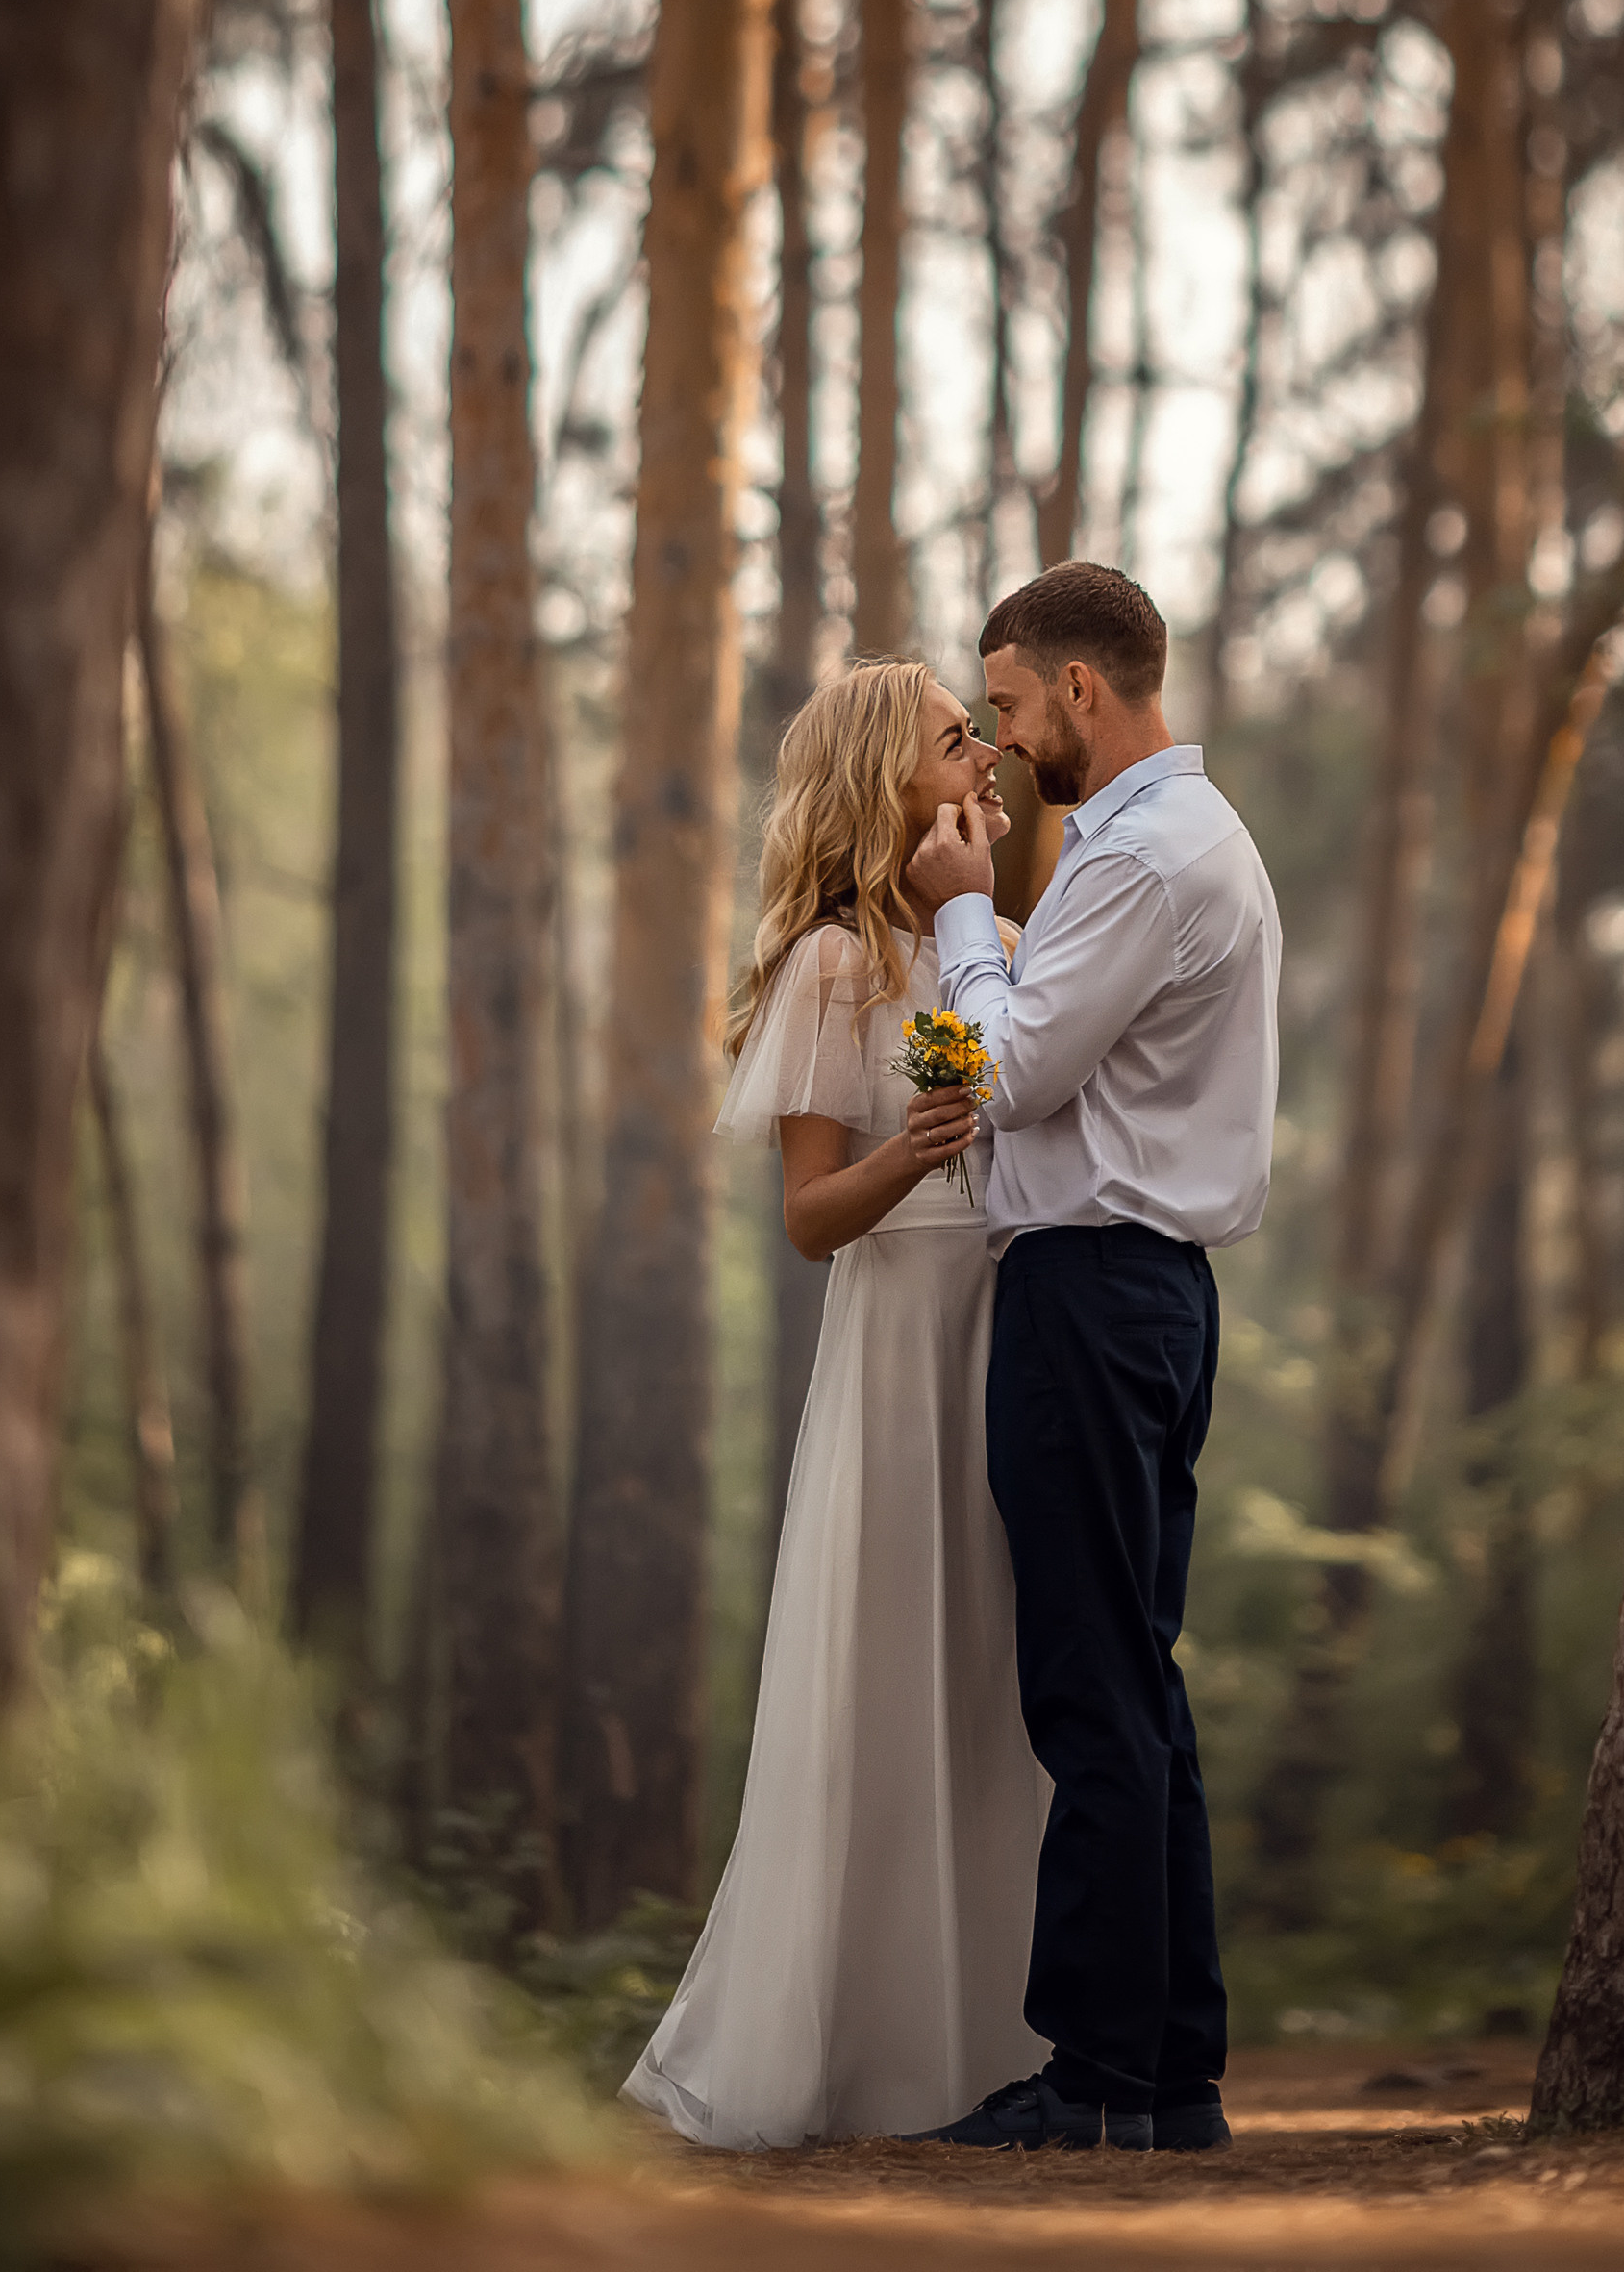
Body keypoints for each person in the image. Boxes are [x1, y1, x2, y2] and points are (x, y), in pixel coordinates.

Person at [622, 659, 1049, 2148]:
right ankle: (845, 2046)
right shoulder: (831, 967)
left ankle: (994, 2046)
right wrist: (915, 1155)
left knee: (994, 1680)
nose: (982, 756)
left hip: (1000, 1330)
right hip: (894, 1346)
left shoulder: (976, 934)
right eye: (954, 740)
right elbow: (813, 1217)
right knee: (885, 1671)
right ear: (890, 778)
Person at [909, 560, 1282, 2158]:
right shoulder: (1155, 841)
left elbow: (1000, 1069)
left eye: (1000, 707)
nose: (993, 746)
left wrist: (957, 914)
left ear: (1078, 687)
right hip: (1140, 1294)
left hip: (1095, 1294)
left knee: (1089, 1685)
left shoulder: (1144, 856)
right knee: (1133, 1680)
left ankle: (1093, 2075)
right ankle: (1167, 2077)